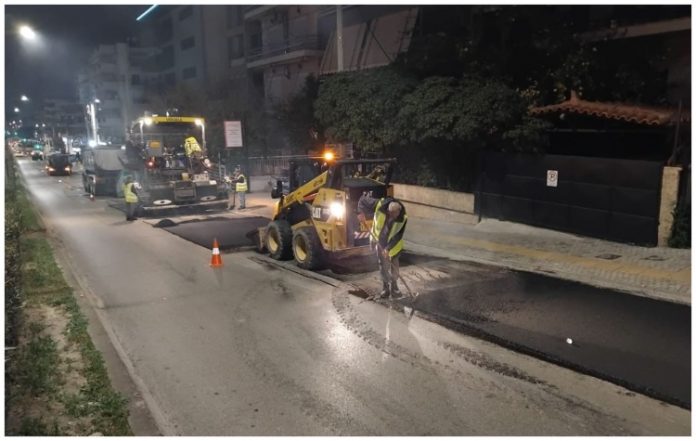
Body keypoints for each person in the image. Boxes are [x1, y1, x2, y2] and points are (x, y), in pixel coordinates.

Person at [359, 193, 408, 298]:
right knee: (383, 267)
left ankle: (394, 288)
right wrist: (360, 213)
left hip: (394, 245)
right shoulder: (379, 204)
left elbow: (398, 235)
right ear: (388, 210)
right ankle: (385, 288)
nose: (391, 216)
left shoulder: (403, 218)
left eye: (394, 215)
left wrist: (388, 249)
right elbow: (362, 200)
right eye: (390, 213)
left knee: (394, 266)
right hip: (380, 242)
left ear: (399, 211)